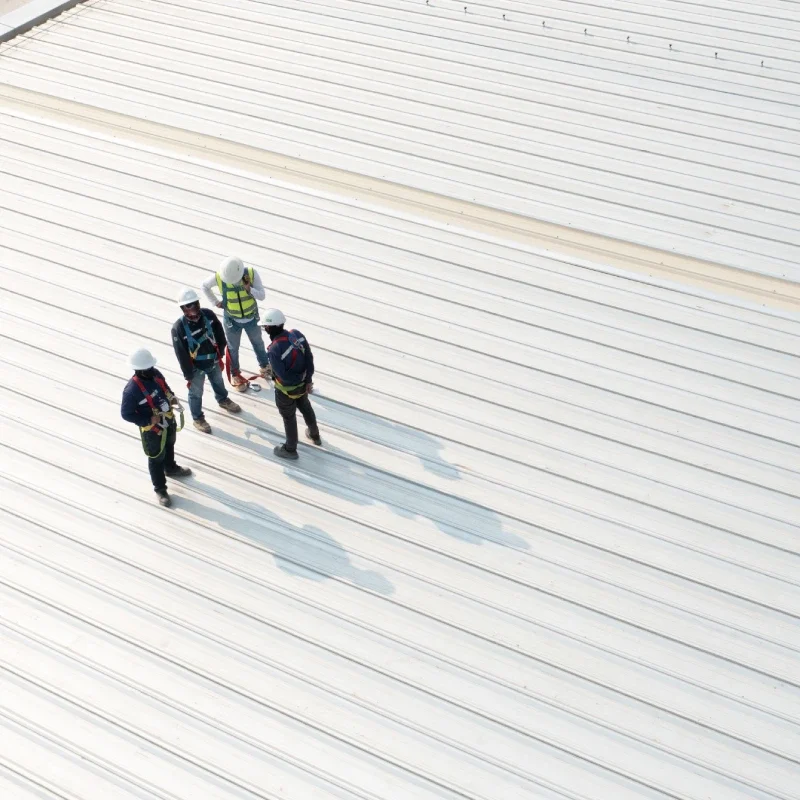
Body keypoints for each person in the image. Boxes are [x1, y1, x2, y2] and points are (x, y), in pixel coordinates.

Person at [121, 347, 191, 507]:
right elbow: (126, 414)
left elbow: (166, 390)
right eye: (148, 368)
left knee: (169, 444)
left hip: (168, 420)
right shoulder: (131, 391)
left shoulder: (156, 375)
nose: (151, 370)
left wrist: (174, 401)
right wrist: (148, 419)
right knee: (156, 457)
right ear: (139, 371)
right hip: (153, 430)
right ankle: (160, 489)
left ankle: (170, 467)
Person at [172, 287, 241, 434]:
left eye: (194, 303)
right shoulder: (179, 328)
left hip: (213, 359)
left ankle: (223, 399)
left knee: (218, 381)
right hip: (195, 367)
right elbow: (181, 353)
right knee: (196, 393)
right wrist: (188, 374)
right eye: (188, 305)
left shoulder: (208, 315)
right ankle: (198, 418)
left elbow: (219, 333)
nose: (193, 308)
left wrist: (221, 351)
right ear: (183, 308)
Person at [202, 255, 271, 392]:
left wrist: (249, 289)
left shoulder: (251, 273)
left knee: (258, 343)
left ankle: (265, 367)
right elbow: (204, 286)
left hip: (251, 318)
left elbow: (262, 295)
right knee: (233, 348)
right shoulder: (219, 277)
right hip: (232, 321)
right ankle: (235, 374)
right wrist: (215, 302)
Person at [263, 308, 321, 459]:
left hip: (285, 391)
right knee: (306, 407)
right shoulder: (297, 335)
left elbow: (284, 376)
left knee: (289, 417)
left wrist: (272, 374)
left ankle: (290, 449)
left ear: (268, 328)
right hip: (303, 386)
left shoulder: (274, 349)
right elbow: (309, 357)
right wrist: (307, 380)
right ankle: (314, 434)